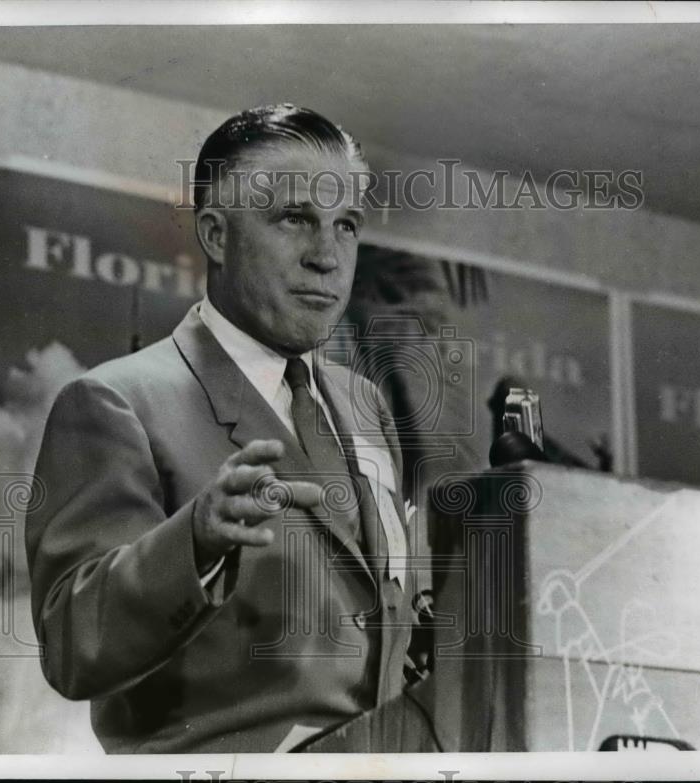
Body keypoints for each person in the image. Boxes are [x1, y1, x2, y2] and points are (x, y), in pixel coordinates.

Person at [25, 104, 415, 753]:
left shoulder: (365, 405)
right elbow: (71, 644)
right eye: (295, 218)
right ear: (215, 233)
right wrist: (196, 543)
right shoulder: (115, 402)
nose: (327, 256)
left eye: (346, 225)